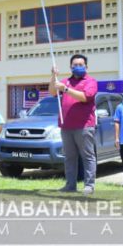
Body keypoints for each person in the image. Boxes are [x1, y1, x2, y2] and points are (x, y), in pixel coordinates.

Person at [49, 53, 98, 195]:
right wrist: (53, 76)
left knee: (87, 156)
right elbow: (52, 91)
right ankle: (70, 185)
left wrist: (65, 89)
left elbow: (85, 97)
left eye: (80, 65)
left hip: (84, 126)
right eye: (75, 65)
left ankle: (89, 185)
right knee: (69, 157)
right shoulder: (65, 81)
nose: (77, 67)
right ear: (70, 67)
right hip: (66, 126)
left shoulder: (90, 81)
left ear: (86, 67)